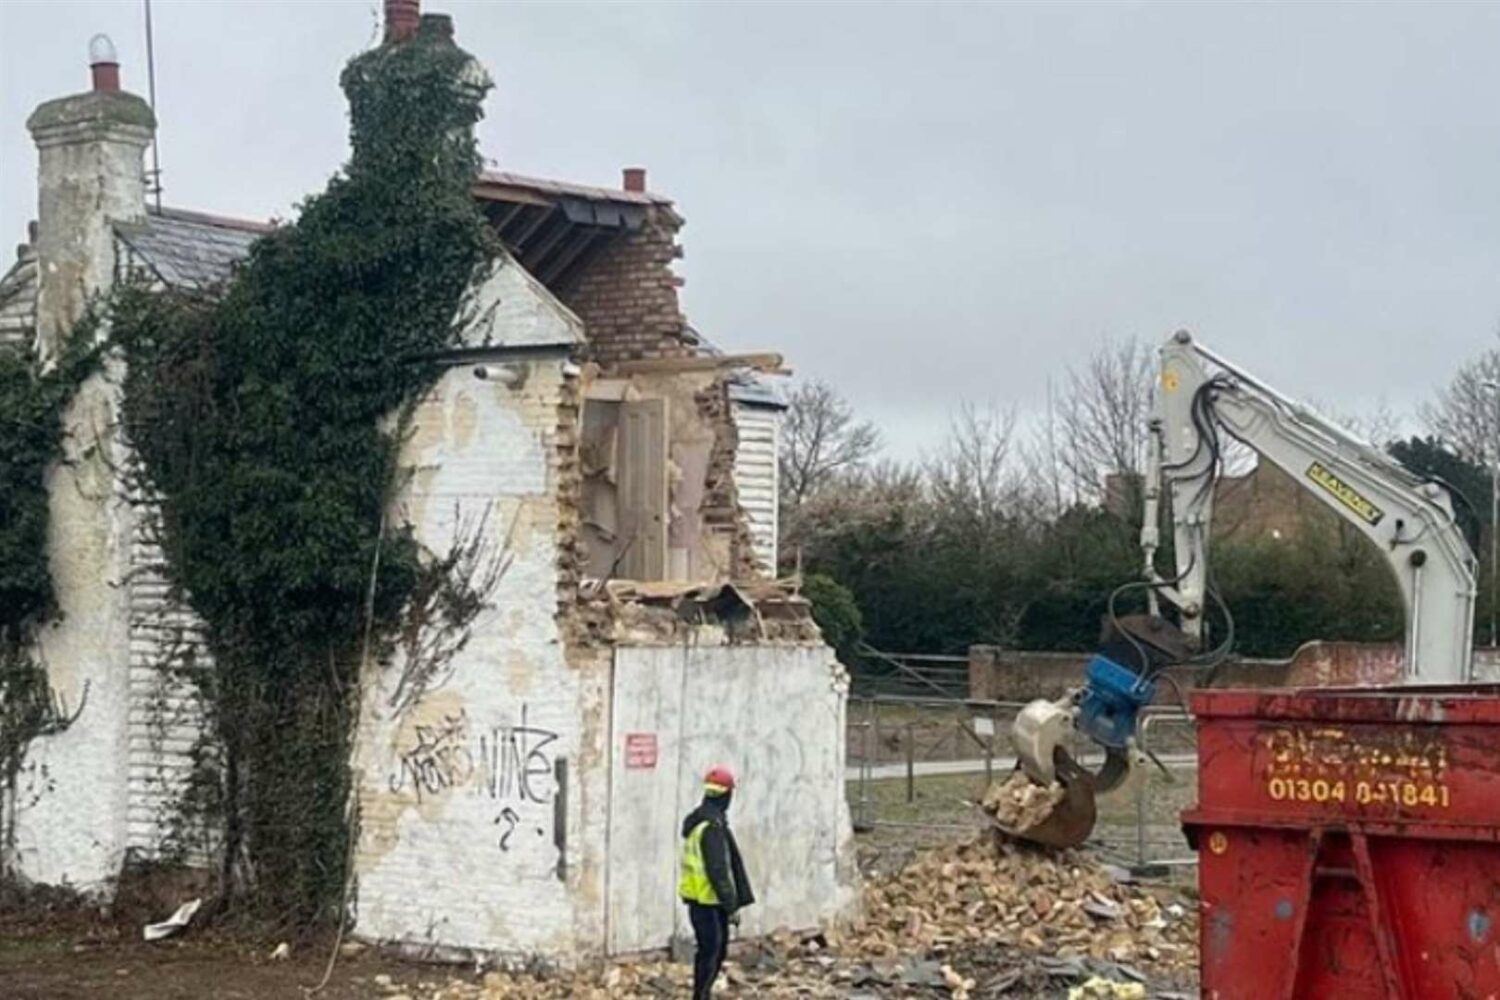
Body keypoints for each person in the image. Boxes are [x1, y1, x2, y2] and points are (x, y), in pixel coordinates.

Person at [678, 765, 754, 999]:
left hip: (701, 900)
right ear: (726, 795)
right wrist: (731, 906)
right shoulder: (711, 828)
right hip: (708, 902)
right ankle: (701, 996)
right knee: (712, 952)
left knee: (712, 951)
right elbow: (718, 870)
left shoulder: (702, 822)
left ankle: (703, 994)